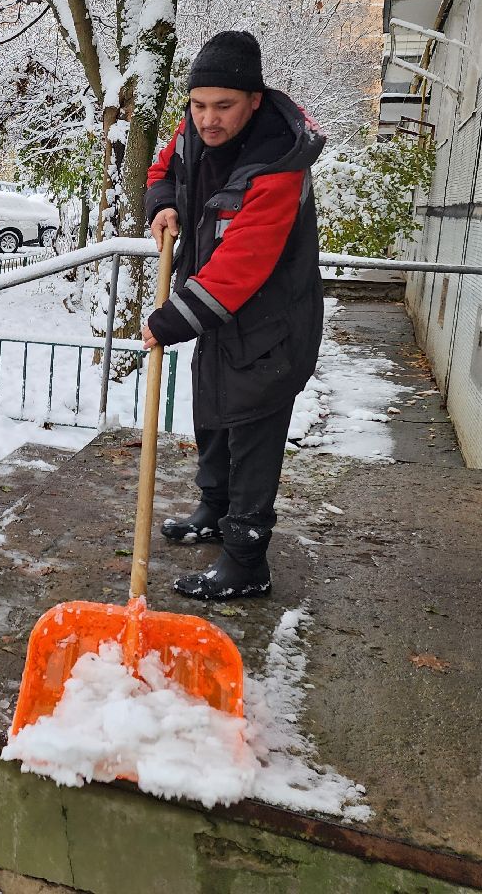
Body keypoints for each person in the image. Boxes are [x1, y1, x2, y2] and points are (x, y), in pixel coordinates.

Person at [140, 30, 326, 600]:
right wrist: (164, 201)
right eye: (198, 105)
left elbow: (242, 265)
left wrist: (170, 320)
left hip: (271, 322)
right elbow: (161, 169)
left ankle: (246, 561)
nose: (208, 120)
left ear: (254, 100)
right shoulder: (192, 130)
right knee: (213, 412)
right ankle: (212, 510)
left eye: (223, 107)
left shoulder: (277, 160)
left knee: (252, 430)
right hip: (222, 318)